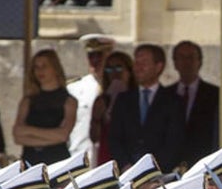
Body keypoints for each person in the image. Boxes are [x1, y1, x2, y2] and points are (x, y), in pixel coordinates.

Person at [109, 44, 183, 173]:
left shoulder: (173, 102)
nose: (138, 68)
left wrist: (152, 170)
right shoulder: (123, 100)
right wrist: (126, 165)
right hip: (127, 174)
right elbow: (115, 138)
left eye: (144, 63)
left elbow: (174, 142)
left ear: (158, 67)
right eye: (136, 62)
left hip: (159, 175)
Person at [13, 49, 77, 166]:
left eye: (44, 66)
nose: (40, 71)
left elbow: (63, 135)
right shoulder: (27, 100)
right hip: (30, 162)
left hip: (57, 162)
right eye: (36, 67)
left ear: (55, 68)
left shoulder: (69, 101)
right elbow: (17, 135)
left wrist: (29, 131)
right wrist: (52, 136)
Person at [169, 40, 219, 172]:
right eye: (181, 58)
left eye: (191, 57)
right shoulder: (164, 95)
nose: (186, 62)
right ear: (174, 62)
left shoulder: (216, 95)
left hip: (203, 163)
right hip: (169, 166)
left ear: (200, 61)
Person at [67, 34, 116, 165]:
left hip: (110, 162)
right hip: (79, 160)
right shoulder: (74, 89)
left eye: (99, 55)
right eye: (91, 56)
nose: (95, 60)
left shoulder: (120, 89)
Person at [90, 50, 135, 167]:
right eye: (109, 69)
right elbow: (94, 137)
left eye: (119, 68)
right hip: (107, 155)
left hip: (131, 155)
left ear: (129, 71)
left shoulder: (138, 98)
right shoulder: (102, 99)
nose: (114, 73)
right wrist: (97, 117)